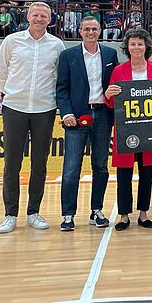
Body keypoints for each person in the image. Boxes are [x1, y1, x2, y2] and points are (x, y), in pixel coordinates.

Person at [0, 2, 65, 234]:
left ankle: (34, 211)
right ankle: (10, 214)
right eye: (35, 15)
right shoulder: (12, 41)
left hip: (44, 109)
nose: (39, 19)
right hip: (15, 107)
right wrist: (12, 92)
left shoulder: (57, 45)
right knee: (11, 163)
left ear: (50, 20)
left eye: (44, 16)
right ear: (28, 16)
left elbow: (58, 77)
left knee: (39, 163)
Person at [56, 16, 119, 231]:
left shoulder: (111, 54)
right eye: (87, 29)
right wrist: (66, 113)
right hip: (76, 117)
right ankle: (67, 214)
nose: (91, 32)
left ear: (100, 30)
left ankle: (97, 210)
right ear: (80, 31)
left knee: (100, 167)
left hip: (102, 116)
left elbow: (116, 85)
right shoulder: (68, 55)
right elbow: (61, 89)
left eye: (94, 29)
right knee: (71, 168)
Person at [104, 29, 152, 231]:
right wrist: (108, 94)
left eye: (140, 43)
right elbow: (111, 103)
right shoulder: (118, 71)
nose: (137, 47)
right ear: (127, 47)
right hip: (125, 129)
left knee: (147, 172)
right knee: (124, 173)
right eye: (133, 44)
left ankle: (143, 213)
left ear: (146, 46)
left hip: (150, 129)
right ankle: (123, 216)